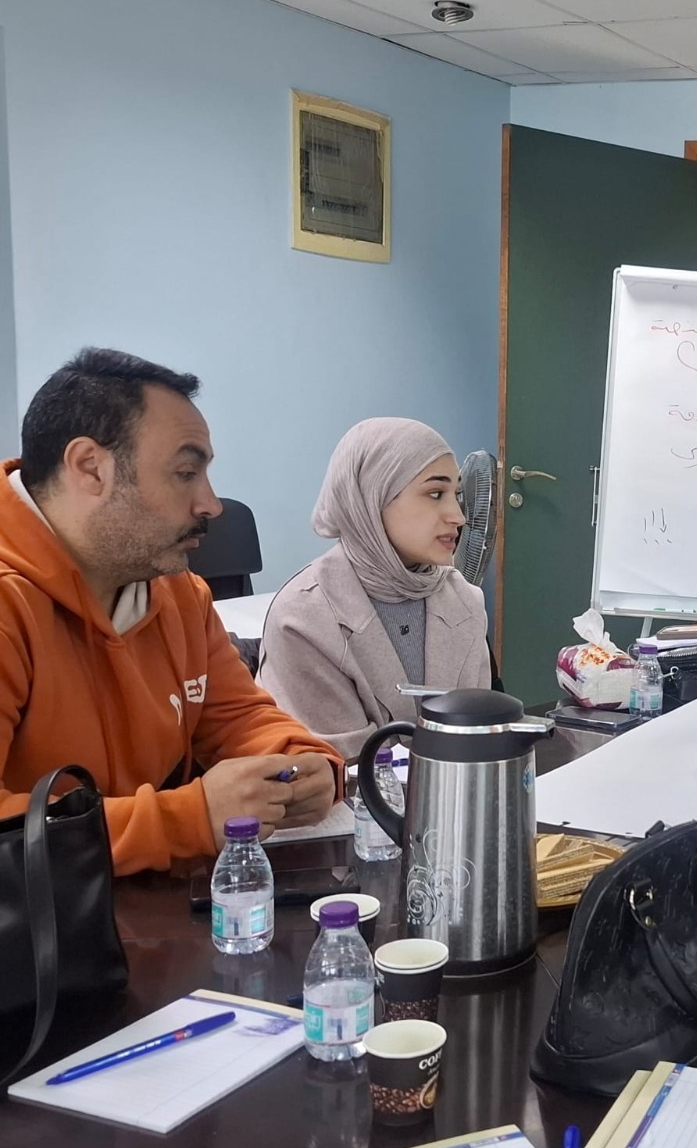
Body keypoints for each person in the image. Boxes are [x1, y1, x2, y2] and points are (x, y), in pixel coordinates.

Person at [0, 349, 340, 874]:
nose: (211, 505)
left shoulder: (178, 593)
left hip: (147, 905)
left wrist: (301, 760)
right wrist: (187, 818)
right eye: (185, 473)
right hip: (38, 919)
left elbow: (236, 718)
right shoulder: (10, 605)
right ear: (90, 468)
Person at [259, 418, 490, 759]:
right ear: (371, 497)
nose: (458, 516)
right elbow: (342, 764)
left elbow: (479, 734)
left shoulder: (465, 600)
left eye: (456, 495)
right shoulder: (302, 618)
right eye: (435, 494)